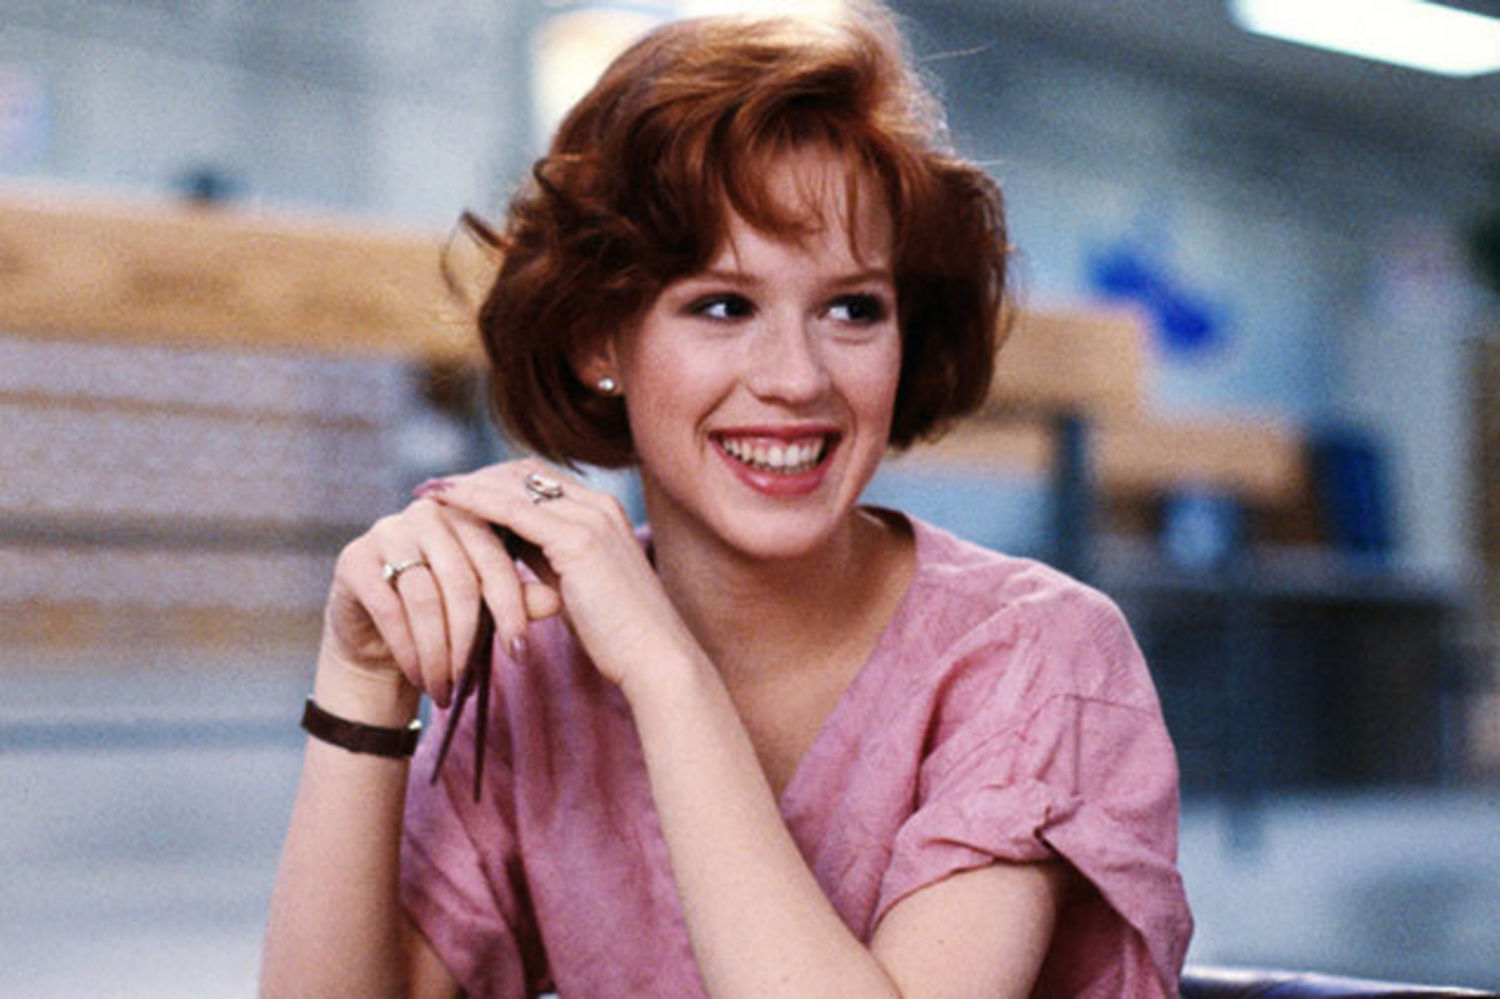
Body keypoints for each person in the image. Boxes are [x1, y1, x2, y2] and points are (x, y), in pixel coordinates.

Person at [259, 4, 1192, 997]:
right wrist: (362, 680)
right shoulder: (539, 669)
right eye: (722, 305)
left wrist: (667, 673)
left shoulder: (1037, 654)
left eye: (852, 308)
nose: (796, 377)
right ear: (599, 339)